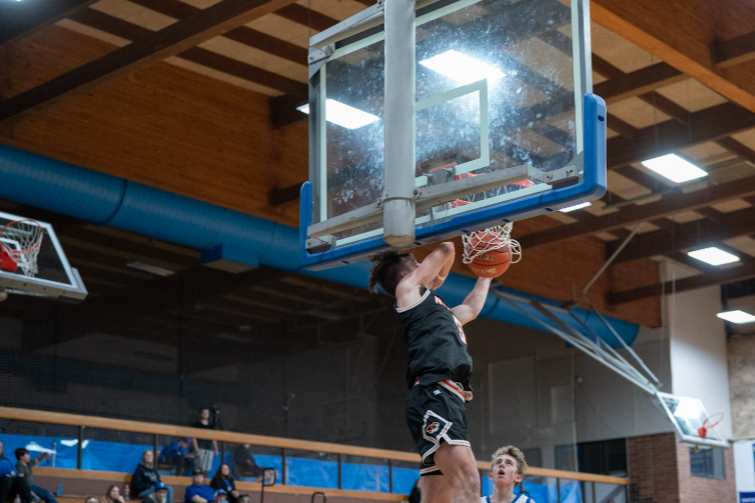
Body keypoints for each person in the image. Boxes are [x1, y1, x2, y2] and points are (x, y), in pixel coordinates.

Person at [369, 242, 492, 503]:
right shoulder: (406, 291)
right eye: (416, 263)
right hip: (435, 391)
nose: (421, 264)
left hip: (445, 396)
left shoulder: (439, 310)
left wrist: (486, 273)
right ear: (406, 275)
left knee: (437, 498)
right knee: (470, 480)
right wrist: (439, 272)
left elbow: (471, 308)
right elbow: (447, 249)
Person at [192, 409, 218, 474]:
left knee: (207, 468)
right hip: (200, 447)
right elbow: (193, 437)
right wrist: (196, 448)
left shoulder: (211, 426)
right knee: (198, 467)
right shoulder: (196, 424)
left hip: (209, 449)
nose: (205, 414)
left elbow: (214, 438)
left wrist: (216, 449)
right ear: (201, 414)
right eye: (204, 413)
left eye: (207, 413)